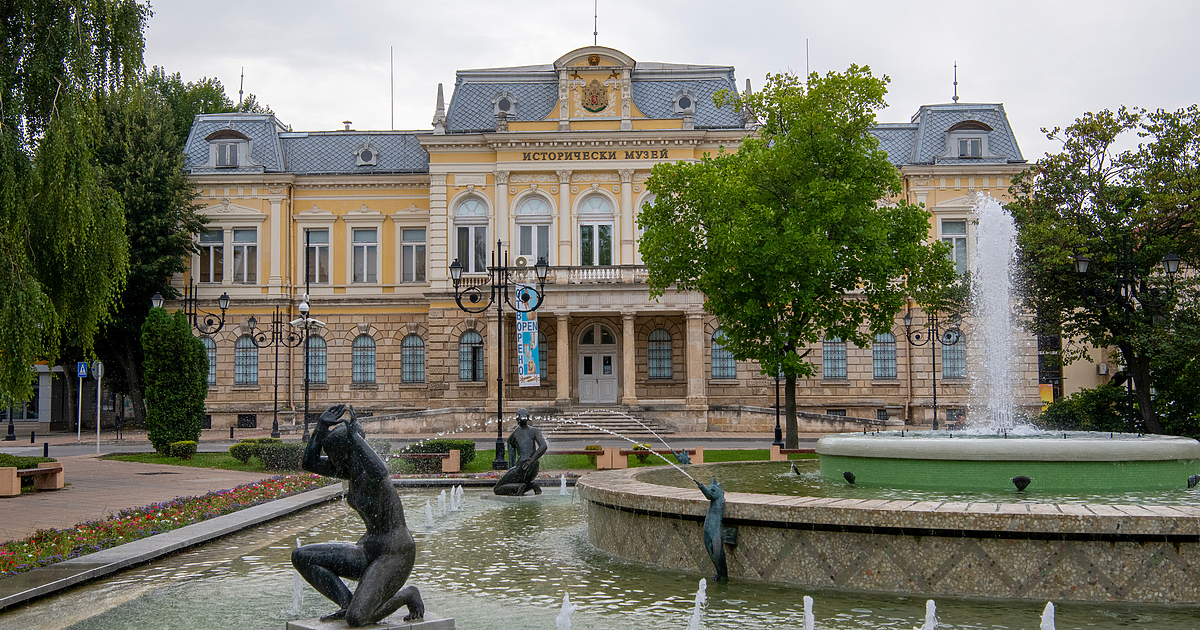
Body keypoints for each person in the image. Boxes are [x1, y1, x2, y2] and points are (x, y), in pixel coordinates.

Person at [291, 404, 423, 626]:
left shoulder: (372, 475)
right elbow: (309, 463)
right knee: (302, 557)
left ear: (348, 453)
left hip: (394, 553)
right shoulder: (349, 470)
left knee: (358, 618)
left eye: (333, 456)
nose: (330, 462)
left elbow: (382, 471)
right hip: (368, 549)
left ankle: (408, 594)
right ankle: (347, 603)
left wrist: (356, 439)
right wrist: (320, 429)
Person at [493, 408, 548, 495]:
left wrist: (512, 471)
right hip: (534, 467)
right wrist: (532, 460)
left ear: (516, 419)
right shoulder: (535, 430)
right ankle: (532, 485)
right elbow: (544, 446)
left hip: (521, 467)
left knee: (497, 489)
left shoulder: (513, 436)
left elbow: (512, 462)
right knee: (522, 481)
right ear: (528, 419)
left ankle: (519, 487)